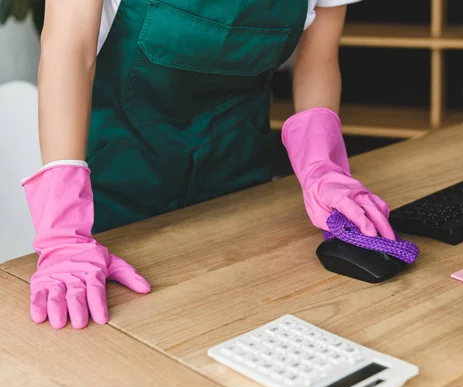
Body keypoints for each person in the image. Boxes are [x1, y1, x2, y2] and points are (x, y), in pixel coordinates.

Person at [22, 0, 396, 330]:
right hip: (118, 186)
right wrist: (64, 230)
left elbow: (318, 60)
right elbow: (68, 49)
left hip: (239, 183)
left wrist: (323, 168)